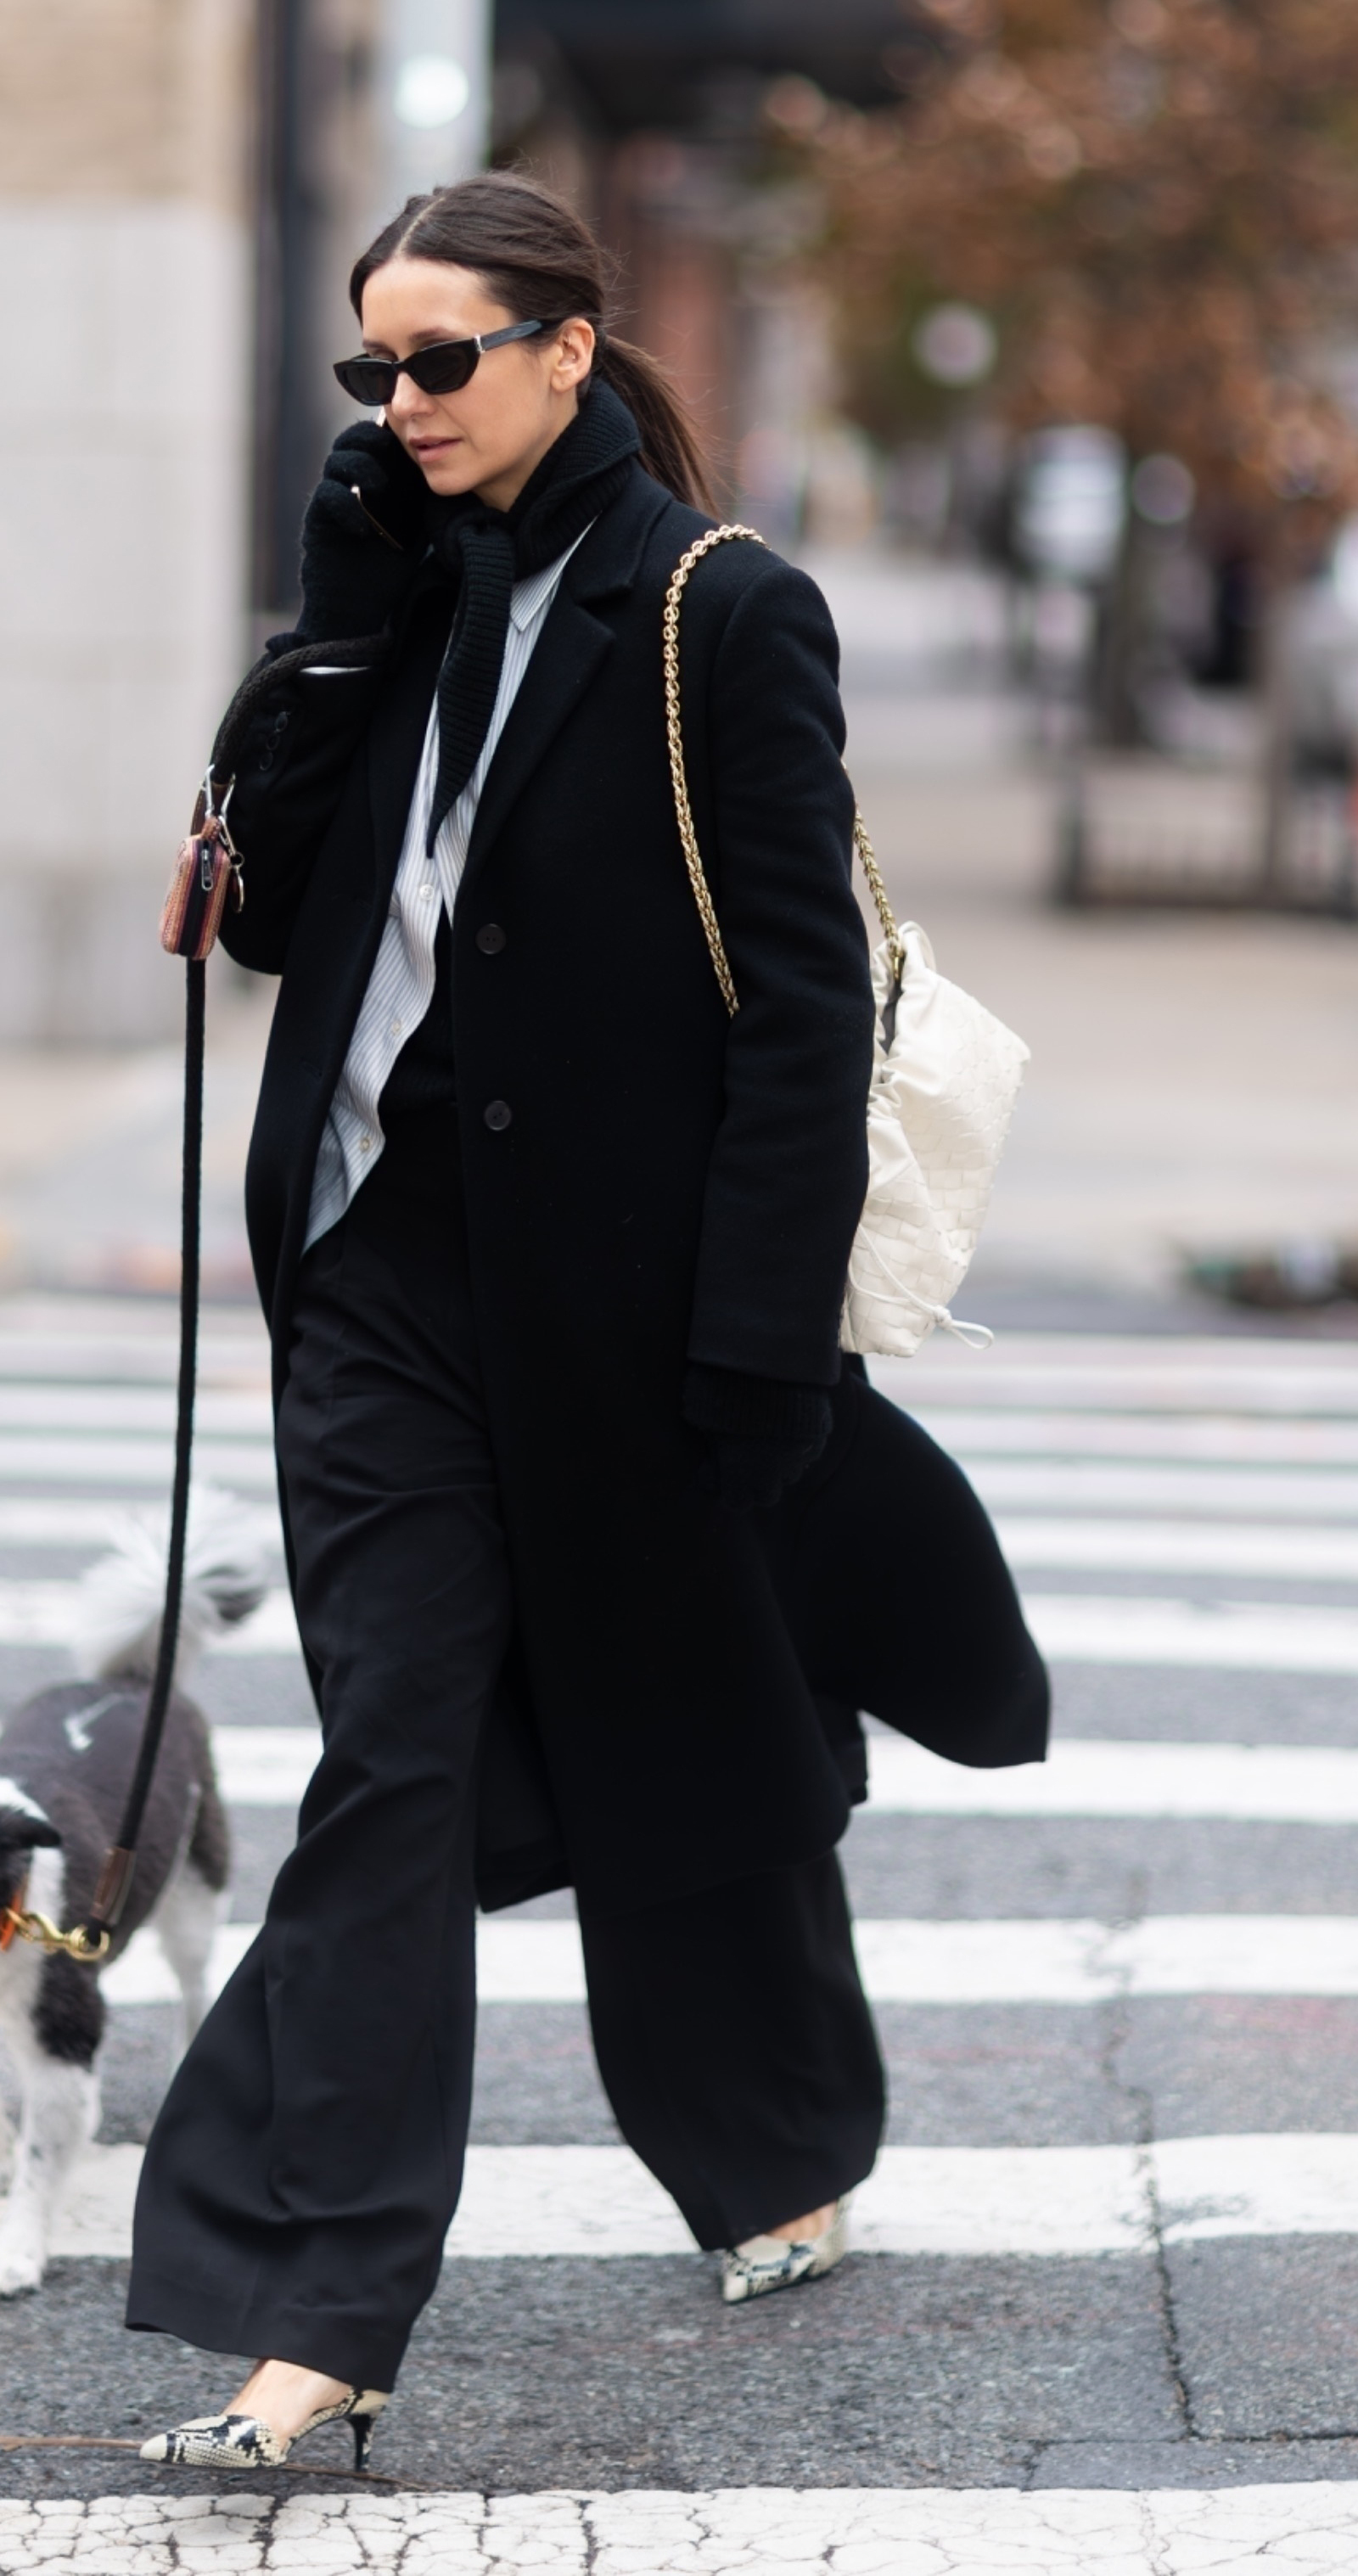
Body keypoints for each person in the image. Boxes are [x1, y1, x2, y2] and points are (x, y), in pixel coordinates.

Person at [126, 169, 1049, 2474]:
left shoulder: (721, 614)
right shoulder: (398, 581)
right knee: (395, 1764)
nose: (404, 402)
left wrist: (751, 1347)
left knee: (673, 1721)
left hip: (630, 1308)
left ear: (564, 347)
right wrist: (338, 618)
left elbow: (796, 1001)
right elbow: (267, 926)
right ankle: (313, 2316)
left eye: (444, 358)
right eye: (375, 367)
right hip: (381, 1277)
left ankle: (772, 2136)